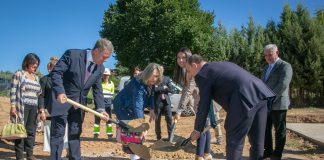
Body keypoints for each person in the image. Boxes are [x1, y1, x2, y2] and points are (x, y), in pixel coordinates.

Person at [187, 54, 276, 160]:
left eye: (188, 70)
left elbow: (204, 103)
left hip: (242, 99)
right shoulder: (220, 65)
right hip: (260, 93)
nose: (190, 74)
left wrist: (197, 129)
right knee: (258, 142)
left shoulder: (203, 74)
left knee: (234, 141)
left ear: (194, 65)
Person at [49, 38, 112, 160]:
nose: (105, 61)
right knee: (58, 135)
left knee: (75, 135)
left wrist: (100, 109)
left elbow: (97, 89)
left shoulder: (100, 68)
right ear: (95, 51)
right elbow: (56, 73)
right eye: (104, 57)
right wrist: (60, 92)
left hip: (79, 106)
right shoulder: (72, 55)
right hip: (62, 101)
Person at [113, 63, 161, 160]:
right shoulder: (137, 84)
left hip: (131, 107)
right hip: (123, 107)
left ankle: (135, 155)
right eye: (153, 76)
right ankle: (134, 156)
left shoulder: (150, 82)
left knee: (136, 134)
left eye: (157, 76)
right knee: (134, 134)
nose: (154, 79)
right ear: (147, 73)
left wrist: (151, 108)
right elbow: (137, 106)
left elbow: (151, 95)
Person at [173, 48, 212, 160]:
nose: (180, 60)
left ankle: (199, 156)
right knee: (205, 128)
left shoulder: (192, 70)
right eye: (178, 57)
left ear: (189, 58)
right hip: (202, 102)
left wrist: (179, 111)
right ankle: (207, 154)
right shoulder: (187, 70)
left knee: (199, 128)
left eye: (184, 57)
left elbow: (188, 91)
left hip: (203, 103)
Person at [262, 44, 293, 159]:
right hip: (266, 103)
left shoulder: (285, 66)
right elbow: (262, 84)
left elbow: (283, 84)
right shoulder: (266, 68)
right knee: (265, 129)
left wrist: (270, 96)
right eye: (266, 55)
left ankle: (277, 154)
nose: (268, 57)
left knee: (279, 130)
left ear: (277, 53)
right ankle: (268, 151)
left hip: (279, 103)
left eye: (270, 54)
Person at [10, 53, 42, 160]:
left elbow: (39, 93)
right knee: (20, 131)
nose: (35, 66)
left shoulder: (36, 78)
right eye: (34, 63)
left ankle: (30, 154)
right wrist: (13, 106)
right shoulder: (19, 74)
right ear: (27, 63)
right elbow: (13, 91)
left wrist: (40, 109)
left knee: (31, 131)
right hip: (22, 107)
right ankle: (19, 157)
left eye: (37, 64)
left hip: (34, 107)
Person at [38, 57, 69, 154]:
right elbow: (41, 96)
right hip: (49, 109)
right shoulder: (44, 80)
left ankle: (65, 151)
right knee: (49, 131)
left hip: (63, 110)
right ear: (50, 68)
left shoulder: (64, 80)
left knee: (64, 131)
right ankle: (53, 153)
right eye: (53, 67)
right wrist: (42, 111)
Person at [93, 68, 115, 140]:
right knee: (97, 120)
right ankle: (96, 134)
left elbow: (112, 94)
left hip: (108, 104)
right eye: (104, 75)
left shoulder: (111, 84)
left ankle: (109, 134)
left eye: (107, 75)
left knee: (109, 120)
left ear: (109, 76)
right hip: (99, 104)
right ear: (102, 75)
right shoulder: (99, 83)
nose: (106, 76)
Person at [153, 66, 173, 141]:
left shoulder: (167, 78)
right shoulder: (154, 78)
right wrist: (163, 87)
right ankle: (158, 137)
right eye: (159, 69)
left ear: (163, 70)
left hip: (166, 102)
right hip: (157, 102)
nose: (161, 70)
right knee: (157, 120)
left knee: (169, 119)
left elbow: (171, 89)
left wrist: (162, 87)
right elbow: (154, 89)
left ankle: (170, 136)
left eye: (162, 69)